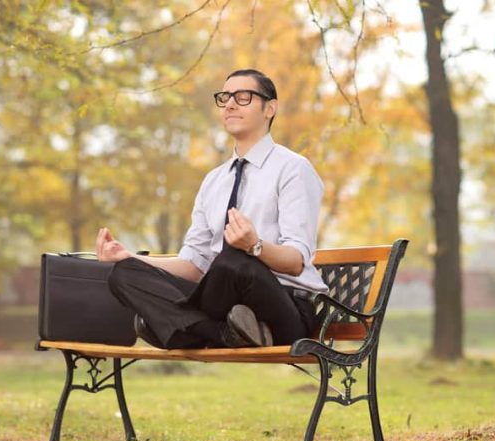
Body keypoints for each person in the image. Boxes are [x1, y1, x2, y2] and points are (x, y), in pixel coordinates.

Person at [95, 69, 328, 349]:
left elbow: (295, 261)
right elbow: (193, 265)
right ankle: (223, 333)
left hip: (284, 308)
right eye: (225, 97)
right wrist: (128, 256)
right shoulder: (214, 181)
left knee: (233, 261)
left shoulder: (293, 169)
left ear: (270, 108)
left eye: (243, 97)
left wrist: (255, 246)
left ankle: (184, 329)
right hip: (222, 303)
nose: (229, 104)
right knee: (124, 274)